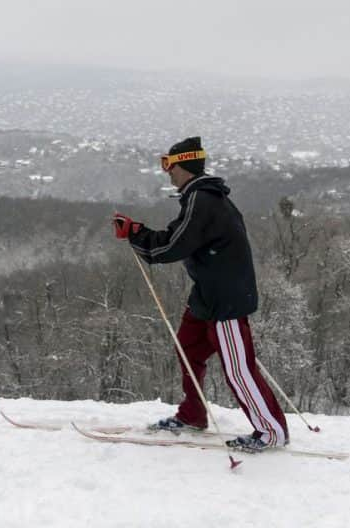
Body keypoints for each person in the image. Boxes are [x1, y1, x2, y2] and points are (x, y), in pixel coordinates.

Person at [112, 136, 288, 452]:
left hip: (225, 301)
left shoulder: (202, 201)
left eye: (170, 164)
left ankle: (271, 431)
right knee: (189, 349)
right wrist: (138, 233)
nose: (167, 171)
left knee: (238, 369)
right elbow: (178, 238)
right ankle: (193, 415)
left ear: (186, 166)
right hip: (207, 296)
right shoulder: (201, 197)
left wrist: (136, 235)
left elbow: (171, 245)